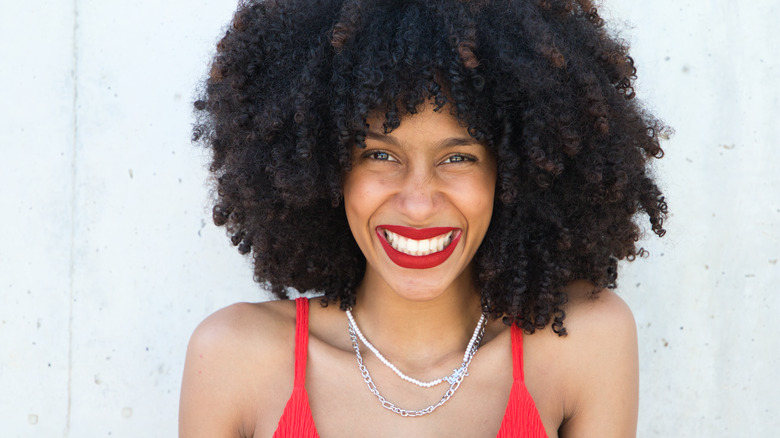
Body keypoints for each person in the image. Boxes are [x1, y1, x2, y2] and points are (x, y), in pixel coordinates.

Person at [179, 0, 668, 436]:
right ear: (324, 168)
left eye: (457, 158)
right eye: (379, 155)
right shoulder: (232, 360)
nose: (417, 204)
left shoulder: (583, 345)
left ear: (517, 172)